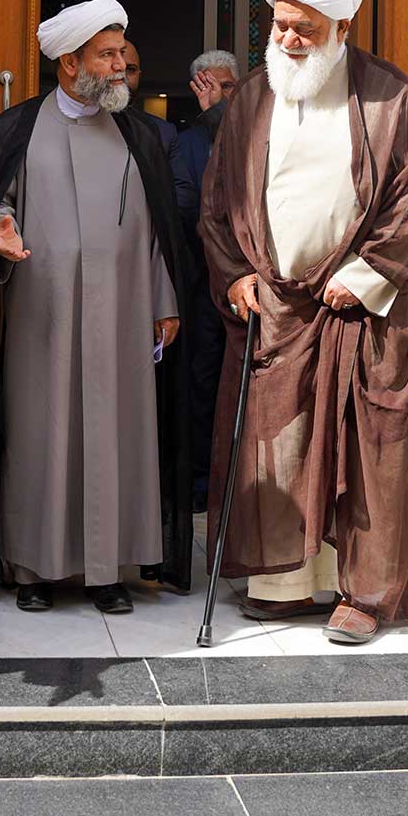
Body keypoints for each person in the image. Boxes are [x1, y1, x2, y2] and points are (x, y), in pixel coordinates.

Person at [200, 0, 408, 646]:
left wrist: (366, 275)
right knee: (280, 443)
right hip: (276, 307)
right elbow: (218, 202)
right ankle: (282, 584)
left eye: (304, 28)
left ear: (342, 27)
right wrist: (235, 275)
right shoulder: (252, 98)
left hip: (356, 309)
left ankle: (361, 594)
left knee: (363, 451)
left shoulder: (389, 97)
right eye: (280, 25)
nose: (288, 39)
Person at [0, 0, 195, 614]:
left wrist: (165, 301)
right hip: (44, 316)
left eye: (120, 54)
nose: (119, 66)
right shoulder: (19, 129)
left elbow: (161, 231)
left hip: (124, 316)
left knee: (117, 438)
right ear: (69, 62)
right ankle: (33, 568)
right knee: (41, 436)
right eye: (106, 56)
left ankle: (108, 571)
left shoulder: (139, 135)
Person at [170, 50, 241, 511]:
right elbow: (184, 210)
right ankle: (201, 480)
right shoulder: (183, 144)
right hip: (200, 281)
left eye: (228, 87)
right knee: (200, 378)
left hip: (251, 281)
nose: (219, 96)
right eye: (208, 86)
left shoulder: (255, 131)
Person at [122, 38, 179, 154]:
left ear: (139, 75)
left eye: (130, 69)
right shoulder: (82, 125)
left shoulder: (162, 132)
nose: (122, 76)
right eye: (113, 68)